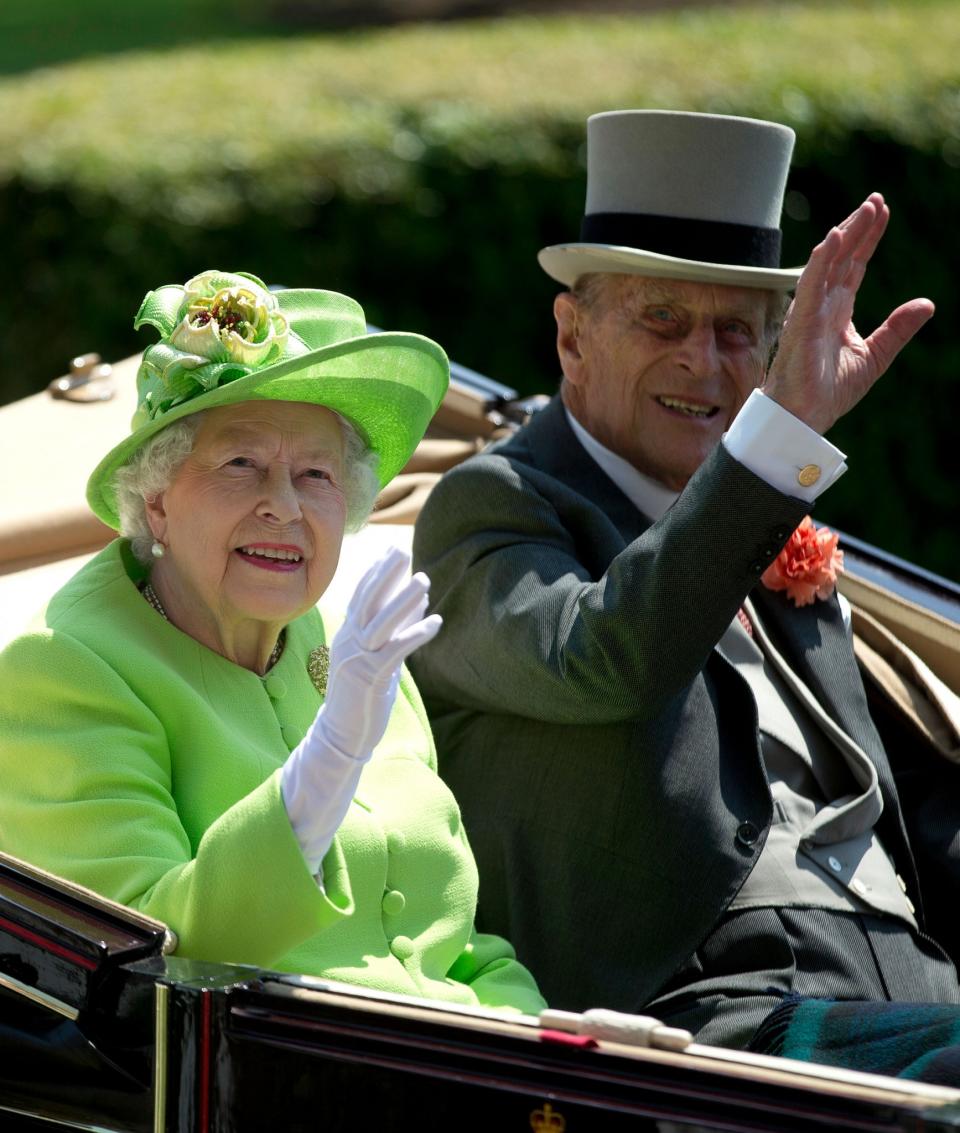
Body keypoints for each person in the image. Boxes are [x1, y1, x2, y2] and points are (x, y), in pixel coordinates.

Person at [409, 110, 960, 1050]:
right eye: (662, 318)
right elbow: (606, 658)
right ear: (572, 335)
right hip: (713, 1012)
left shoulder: (771, 510)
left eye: (740, 332)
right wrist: (776, 444)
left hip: (913, 989)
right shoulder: (492, 510)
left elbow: (911, 802)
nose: (704, 363)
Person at [0, 269, 545, 1016]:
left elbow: (456, 947)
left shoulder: (353, 651)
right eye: (242, 464)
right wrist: (331, 759)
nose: (284, 507)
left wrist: (545, 1042)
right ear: (157, 501)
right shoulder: (63, 668)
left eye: (315, 473)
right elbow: (148, 966)